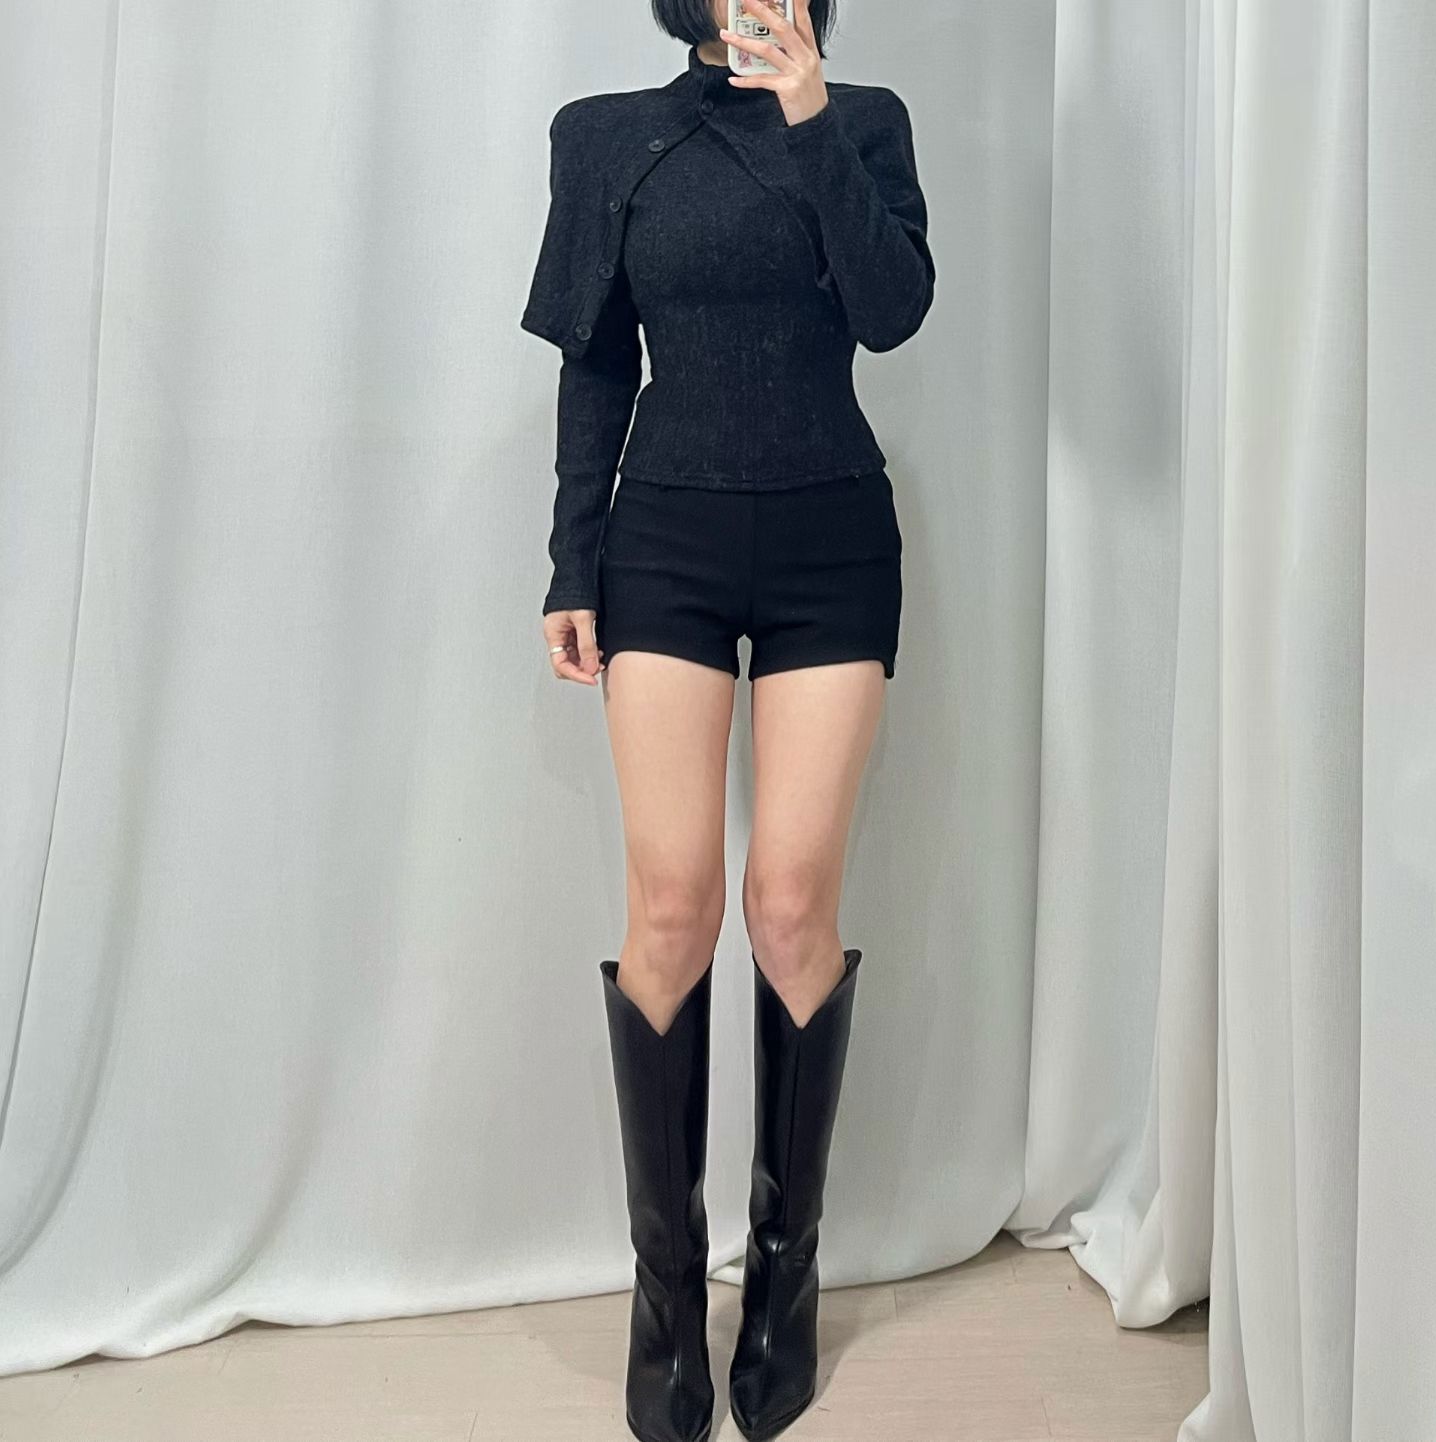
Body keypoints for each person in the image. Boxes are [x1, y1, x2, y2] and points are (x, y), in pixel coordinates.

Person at [520, 1, 934, 1437]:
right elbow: (593, 364)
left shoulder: (863, 122)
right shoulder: (606, 138)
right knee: (673, 904)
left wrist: (810, 113)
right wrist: (572, 564)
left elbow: (890, 311)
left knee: (790, 904)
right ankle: (663, 1297)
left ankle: (784, 1279)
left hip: (830, 542)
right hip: (665, 548)